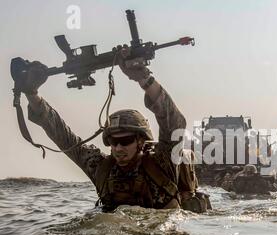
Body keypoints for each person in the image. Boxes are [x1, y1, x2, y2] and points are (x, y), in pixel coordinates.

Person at [18, 47, 209, 212]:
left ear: (141, 141)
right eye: (113, 142)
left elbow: (174, 124)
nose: (118, 148)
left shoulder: (163, 162)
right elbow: (64, 137)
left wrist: (145, 79)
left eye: (125, 141)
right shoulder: (102, 169)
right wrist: (31, 94)